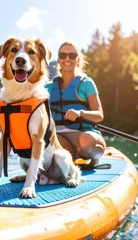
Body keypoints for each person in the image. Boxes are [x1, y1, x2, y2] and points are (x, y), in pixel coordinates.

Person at [45, 41, 106, 169]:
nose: (67, 59)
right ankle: (68, 159)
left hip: (84, 134)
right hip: (59, 137)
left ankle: (90, 157)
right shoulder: (48, 87)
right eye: (63, 55)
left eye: (72, 55)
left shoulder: (87, 83)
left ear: (77, 59)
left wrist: (80, 113)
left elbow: (99, 115)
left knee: (88, 141)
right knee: (48, 148)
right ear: (58, 60)